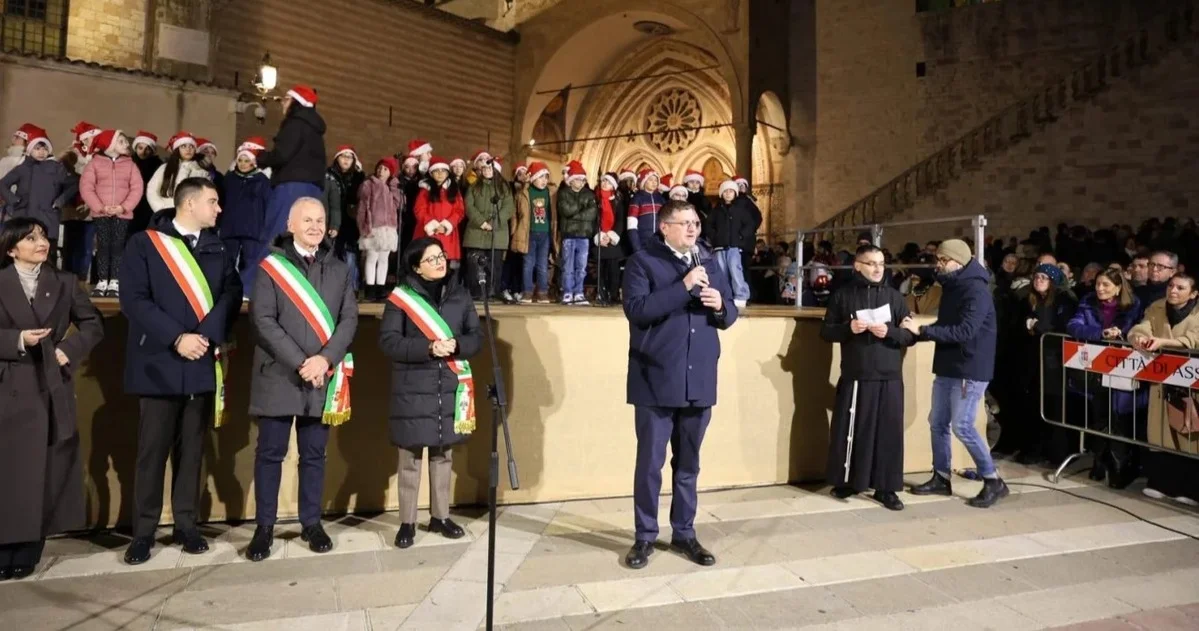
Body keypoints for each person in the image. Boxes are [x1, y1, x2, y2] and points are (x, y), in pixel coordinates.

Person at [119, 178, 241, 565]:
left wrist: (204, 336)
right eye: (213, 201)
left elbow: (232, 293)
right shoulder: (145, 243)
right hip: (159, 362)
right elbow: (133, 300)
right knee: (152, 453)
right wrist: (177, 338)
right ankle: (143, 532)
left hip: (200, 360)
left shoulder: (218, 246)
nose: (218, 209)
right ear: (189, 204)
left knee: (192, 452)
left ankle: (186, 525)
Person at [623, 201, 738, 570]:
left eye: (696, 223)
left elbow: (729, 314)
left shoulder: (709, 261)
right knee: (650, 464)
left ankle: (684, 532)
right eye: (684, 223)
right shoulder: (642, 262)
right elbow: (637, 310)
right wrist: (684, 287)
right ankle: (645, 535)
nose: (692, 229)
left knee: (688, 464)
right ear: (664, 227)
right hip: (656, 378)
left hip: (698, 378)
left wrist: (721, 305)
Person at [246, 198, 358, 562]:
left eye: (320, 220)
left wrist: (324, 360)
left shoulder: (339, 268)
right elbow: (263, 320)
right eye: (307, 220)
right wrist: (301, 362)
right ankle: (264, 527)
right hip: (279, 374)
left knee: (314, 455)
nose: (315, 226)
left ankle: (311, 522)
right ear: (290, 225)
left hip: (321, 377)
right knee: (270, 454)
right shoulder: (271, 267)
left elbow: (349, 320)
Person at [0, 218, 103, 580]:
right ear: (12, 249)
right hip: (8, 385)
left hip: (49, 386)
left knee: (41, 472)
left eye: (43, 235)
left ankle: (29, 548)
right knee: (8, 473)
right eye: (31, 238)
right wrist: (17, 340)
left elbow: (93, 324)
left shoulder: (64, 282)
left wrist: (67, 350)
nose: (41, 242)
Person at [379, 237, 481, 548]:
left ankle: (441, 516)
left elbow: (476, 336)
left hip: (448, 385)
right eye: (431, 259)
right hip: (412, 387)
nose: (440, 262)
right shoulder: (400, 299)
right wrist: (428, 348)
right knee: (410, 457)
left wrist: (458, 345)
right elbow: (389, 342)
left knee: (443, 454)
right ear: (416, 267)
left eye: (441, 256)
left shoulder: (460, 294)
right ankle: (407, 522)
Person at [901, 239, 1009, 508]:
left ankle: (993, 480)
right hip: (949, 364)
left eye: (943, 260)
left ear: (959, 262)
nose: (938, 265)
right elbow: (947, 323)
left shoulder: (976, 290)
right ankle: (941, 477)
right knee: (937, 422)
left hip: (969, 367)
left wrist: (923, 331)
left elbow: (965, 331)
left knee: (963, 425)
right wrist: (919, 332)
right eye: (937, 259)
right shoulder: (952, 284)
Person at [820, 245, 915, 510]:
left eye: (881, 264)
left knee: (888, 435)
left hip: (889, 376)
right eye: (871, 263)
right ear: (857, 266)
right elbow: (826, 332)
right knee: (853, 431)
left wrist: (890, 332)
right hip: (856, 374)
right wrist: (848, 328)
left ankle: (886, 489)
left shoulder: (895, 297)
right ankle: (850, 481)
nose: (877, 269)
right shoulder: (842, 296)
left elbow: (910, 335)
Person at [1066, 267, 1145, 488]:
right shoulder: (1087, 301)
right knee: (1099, 415)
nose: (1100, 288)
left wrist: (1121, 333)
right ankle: (1099, 461)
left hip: (1123, 367)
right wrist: (1100, 334)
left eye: (1106, 285)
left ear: (1118, 288)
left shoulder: (1133, 304)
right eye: (1098, 284)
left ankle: (1119, 465)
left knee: (1120, 417)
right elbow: (1073, 326)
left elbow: (1135, 329)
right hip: (1095, 368)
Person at [1128, 273, 1199, 506]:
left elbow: (1194, 339)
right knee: (1161, 432)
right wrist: (1138, 337)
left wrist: (1164, 342)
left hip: (1191, 382)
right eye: (1171, 286)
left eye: (1180, 287)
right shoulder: (1157, 307)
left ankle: (1191, 488)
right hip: (1161, 381)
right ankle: (1161, 483)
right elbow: (1143, 326)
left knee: (1189, 433)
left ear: (1193, 293)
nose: (1173, 291)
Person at [257, 85, 327, 246]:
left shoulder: (294, 123)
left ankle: (270, 263)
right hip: (313, 189)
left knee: (277, 234)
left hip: (290, 187)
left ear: (296, 102)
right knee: (303, 238)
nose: (282, 103)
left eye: (286, 99)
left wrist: (260, 157)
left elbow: (282, 154)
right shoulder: (315, 129)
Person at [80, 130, 144, 298]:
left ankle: (115, 281)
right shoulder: (94, 164)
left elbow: (137, 188)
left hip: (122, 214)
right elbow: (86, 187)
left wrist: (124, 207)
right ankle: (102, 281)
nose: (126, 144)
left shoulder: (130, 165)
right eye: (121, 141)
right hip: (102, 214)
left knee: (118, 246)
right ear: (109, 144)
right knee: (103, 246)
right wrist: (100, 207)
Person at [0, 126, 74, 259]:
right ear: (30, 149)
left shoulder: (56, 168)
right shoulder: (22, 168)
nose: (41, 152)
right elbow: (2, 184)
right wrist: (14, 200)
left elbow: (73, 184)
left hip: (48, 217)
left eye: (45, 149)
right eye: (37, 148)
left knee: (47, 253)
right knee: (23, 249)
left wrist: (60, 201)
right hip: (24, 215)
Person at [219, 138, 271, 299]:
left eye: (247, 161)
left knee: (251, 261)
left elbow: (267, 204)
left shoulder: (262, 181)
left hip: (253, 230)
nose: (242, 164)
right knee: (227, 261)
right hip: (230, 228)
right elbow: (222, 201)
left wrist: (264, 227)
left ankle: (248, 291)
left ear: (254, 163)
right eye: (240, 160)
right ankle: (225, 290)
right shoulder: (229, 179)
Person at [463, 157, 515, 301]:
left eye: (489, 168)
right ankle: (477, 292)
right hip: (476, 231)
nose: (486, 171)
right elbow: (469, 206)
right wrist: (481, 222)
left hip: (497, 233)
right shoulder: (474, 187)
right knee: (475, 265)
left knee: (494, 265)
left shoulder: (504, 188)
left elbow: (508, 207)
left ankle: (492, 291)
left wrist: (494, 222)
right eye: (484, 168)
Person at [704, 179, 760, 309]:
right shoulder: (717, 210)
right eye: (725, 191)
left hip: (734, 246)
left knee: (736, 270)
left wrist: (741, 236)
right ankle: (726, 295)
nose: (728, 194)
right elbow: (709, 225)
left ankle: (741, 295)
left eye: (731, 191)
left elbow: (750, 224)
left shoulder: (740, 209)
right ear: (721, 194)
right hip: (719, 246)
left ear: (735, 193)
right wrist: (714, 237)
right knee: (722, 271)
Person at [357, 157, 403, 301]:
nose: (381, 171)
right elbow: (363, 208)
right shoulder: (369, 184)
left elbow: (400, 204)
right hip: (373, 227)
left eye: (385, 169)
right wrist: (364, 226)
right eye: (380, 168)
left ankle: (381, 287)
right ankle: (370, 288)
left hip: (389, 229)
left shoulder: (392, 187)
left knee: (384, 259)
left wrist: (395, 187)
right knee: (372, 258)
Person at [323, 146, 365, 291]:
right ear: (337, 158)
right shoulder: (329, 175)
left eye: (350, 157)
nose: (346, 159)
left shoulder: (358, 178)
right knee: (332, 255)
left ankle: (351, 288)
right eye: (343, 156)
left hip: (351, 223)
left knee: (350, 256)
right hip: (332, 222)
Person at [413, 157, 464, 271]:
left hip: (448, 234)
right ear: (431, 173)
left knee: (446, 266)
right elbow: (419, 210)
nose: (440, 174)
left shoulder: (454, 191)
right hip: (428, 232)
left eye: (443, 171)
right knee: (428, 263)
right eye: (437, 171)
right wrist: (433, 225)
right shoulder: (425, 190)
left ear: (448, 173)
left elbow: (459, 211)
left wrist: (447, 225)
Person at [556, 162, 597, 305]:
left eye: (582, 180)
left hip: (584, 235)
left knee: (581, 267)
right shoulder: (564, 193)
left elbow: (592, 213)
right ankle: (568, 292)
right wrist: (581, 206)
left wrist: (575, 215)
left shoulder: (589, 194)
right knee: (568, 266)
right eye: (578, 179)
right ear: (571, 180)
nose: (580, 182)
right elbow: (565, 211)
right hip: (569, 235)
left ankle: (579, 292)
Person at [518, 162, 555, 303]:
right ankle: (527, 291)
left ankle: (542, 292)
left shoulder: (550, 193)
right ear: (533, 178)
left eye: (546, 177)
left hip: (545, 233)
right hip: (530, 233)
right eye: (540, 177)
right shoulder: (526, 192)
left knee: (542, 264)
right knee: (528, 263)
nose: (544, 180)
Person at [146, 132, 209, 212]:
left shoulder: (201, 171)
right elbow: (152, 190)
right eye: (183, 146)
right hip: (166, 211)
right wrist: (161, 209)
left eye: (191, 146)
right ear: (177, 149)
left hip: (190, 213)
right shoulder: (165, 168)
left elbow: (205, 195)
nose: (188, 149)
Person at [593, 173, 626, 306]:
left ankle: (613, 294)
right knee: (600, 269)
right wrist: (600, 236)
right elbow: (593, 220)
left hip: (612, 239)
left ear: (613, 186)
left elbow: (620, 221)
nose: (605, 183)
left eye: (608, 182)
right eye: (603, 181)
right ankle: (601, 293)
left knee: (613, 269)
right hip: (599, 238)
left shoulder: (617, 201)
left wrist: (611, 236)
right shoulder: (595, 199)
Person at [503, 163, 531, 302]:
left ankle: (516, 289)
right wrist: (512, 230)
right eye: (520, 174)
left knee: (520, 263)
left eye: (525, 173)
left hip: (523, 232)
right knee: (509, 261)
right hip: (511, 229)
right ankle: (505, 287)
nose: (523, 176)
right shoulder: (510, 189)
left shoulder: (528, 191)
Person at [128, 132, 162, 237]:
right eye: (140, 148)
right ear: (135, 148)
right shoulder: (128, 162)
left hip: (147, 206)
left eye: (147, 149)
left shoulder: (158, 165)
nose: (143, 152)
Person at [626, 168, 665, 253]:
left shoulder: (661, 199)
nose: (654, 182)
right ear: (644, 181)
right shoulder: (637, 198)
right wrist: (637, 247)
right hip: (642, 243)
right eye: (650, 180)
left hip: (660, 243)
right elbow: (631, 225)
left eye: (656, 180)